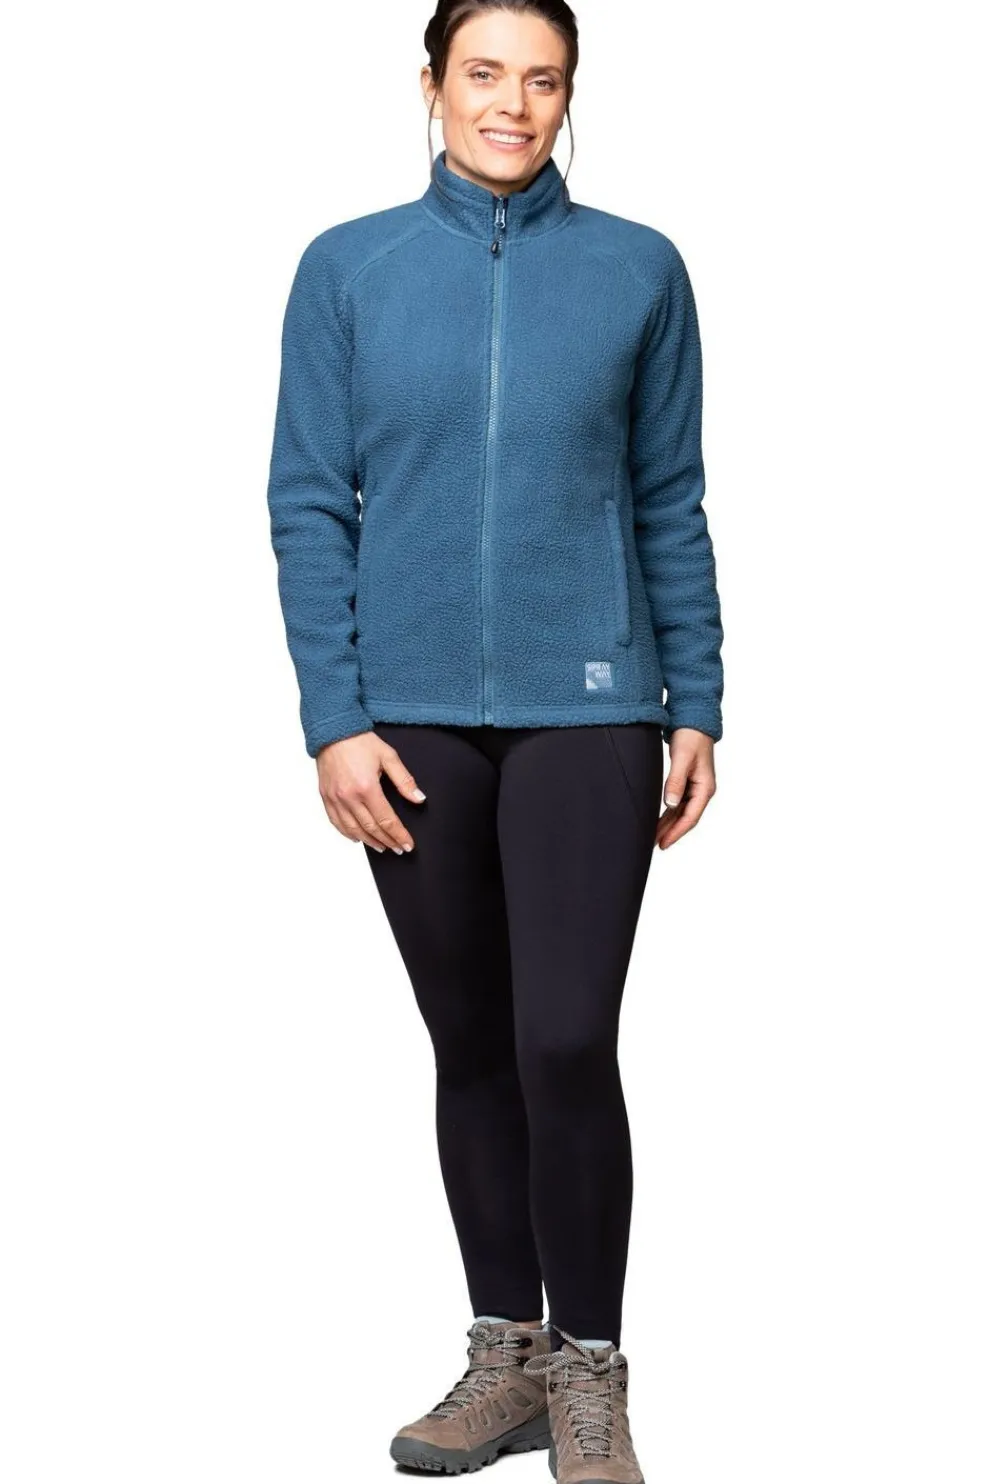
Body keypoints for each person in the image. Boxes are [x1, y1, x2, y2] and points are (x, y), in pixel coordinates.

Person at [266, 3, 724, 1479]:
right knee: (469, 1042)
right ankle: (504, 1357)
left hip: (594, 703)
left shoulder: (639, 269)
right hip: (408, 720)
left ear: (569, 95)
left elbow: (668, 496)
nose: (512, 104)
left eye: (542, 79)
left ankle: (591, 1373)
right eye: (484, 74)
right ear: (431, 86)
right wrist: (335, 717)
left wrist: (698, 696)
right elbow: (306, 499)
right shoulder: (348, 269)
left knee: (564, 1038)